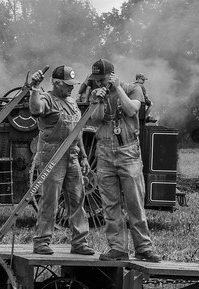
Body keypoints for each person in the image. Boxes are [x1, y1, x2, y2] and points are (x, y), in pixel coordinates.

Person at [87, 59, 162, 262]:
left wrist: (117, 88)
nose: (99, 82)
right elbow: (96, 119)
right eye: (96, 79)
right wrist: (98, 101)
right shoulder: (95, 93)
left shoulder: (132, 89)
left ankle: (144, 248)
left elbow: (131, 110)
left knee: (134, 203)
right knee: (110, 205)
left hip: (128, 152)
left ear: (112, 76)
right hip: (104, 152)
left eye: (102, 79)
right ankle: (118, 248)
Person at [27, 65, 95, 256]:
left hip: (72, 156)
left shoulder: (72, 103)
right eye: (67, 84)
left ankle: (80, 242)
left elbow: (78, 131)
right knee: (50, 201)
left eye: (73, 84)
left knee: (77, 199)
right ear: (56, 83)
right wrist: (35, 88)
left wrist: (83, 156)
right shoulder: (47, 99)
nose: (72, 87)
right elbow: (36, 109)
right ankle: (41, 241)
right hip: (52, 156)